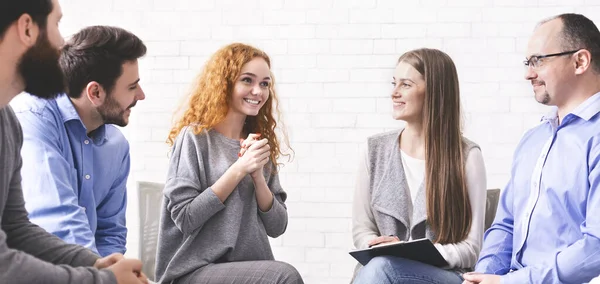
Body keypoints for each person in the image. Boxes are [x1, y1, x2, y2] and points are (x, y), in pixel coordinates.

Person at [0, 0, 146, 283]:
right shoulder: (31, 117)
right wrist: (105, 279)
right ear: (27, 28)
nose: (62, 45)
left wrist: (97, 263)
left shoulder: (7, 120)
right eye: (57, 24)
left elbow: (16, 228)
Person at [463, 13, 600, 284]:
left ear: (580, 61)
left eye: (538, 60)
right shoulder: (533, 140)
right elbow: (505, 224)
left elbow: (596, 246)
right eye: (528, 62)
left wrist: (510, 283)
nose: (528, 73)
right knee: (389, 270)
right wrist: (483, 276)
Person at [155, 43, 303, 284]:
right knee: (284, 277)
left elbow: (277, 227)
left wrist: (257, 178)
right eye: (247, 80)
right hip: (191, 271)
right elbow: (185, 218)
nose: (258, 91)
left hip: (246, 269)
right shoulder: (194, 138)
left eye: (265, 83)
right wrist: (239, 169)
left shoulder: (258, 144)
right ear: (225, 84)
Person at [352, 48, 487, 284]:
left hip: (444, 276)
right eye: (394, 83)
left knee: (382, 268)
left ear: (434, 91)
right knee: (379, 268)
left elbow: (472, 248)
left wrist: (406, 251)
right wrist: (377, 248)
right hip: (378, 273)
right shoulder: (373, 151)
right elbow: (362, 231)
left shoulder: (467, 156)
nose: (394, 93)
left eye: (406, 84)